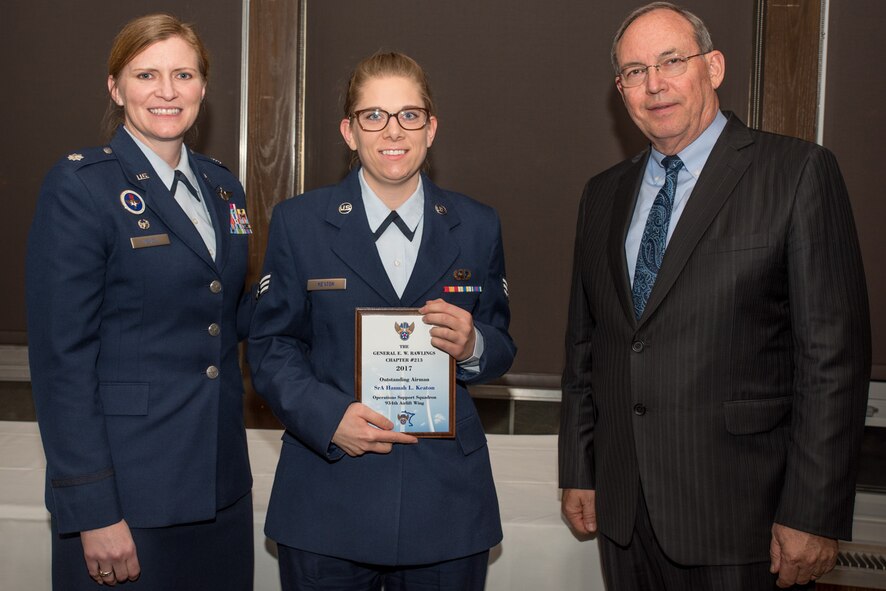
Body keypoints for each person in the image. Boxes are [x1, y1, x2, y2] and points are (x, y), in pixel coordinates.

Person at [558, 2, 871, 589]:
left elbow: (833, 362)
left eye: (671, 61)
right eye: (633, 71)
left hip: (744, 516)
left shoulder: (797, 173)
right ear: (620, 90)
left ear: (715, 67)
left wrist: (813, 512)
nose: (654, 85)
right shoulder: (602, 194)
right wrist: (581, 467)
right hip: (626, 514)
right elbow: (586, 346)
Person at [248, 51, 516, 590]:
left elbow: (502, 343)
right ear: (349, 131)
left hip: (444, 502)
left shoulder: (478, 225)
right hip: (329, 494)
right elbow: (271, 346)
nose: (392, 131)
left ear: (431, 127)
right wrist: (329, 419)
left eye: (409, 115)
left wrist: (474, 347)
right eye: (373, 116)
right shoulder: (300, 223)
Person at [26, 13, 254, 589]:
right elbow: (62, 361)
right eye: (146, 74)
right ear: (116, 87)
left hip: (220, 488)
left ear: (204, 86)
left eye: (184, 74)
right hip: (128, 498)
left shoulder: (224, 186)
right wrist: (94, 509)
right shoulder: (82, 186)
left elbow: (233, 315)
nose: (167, 91)